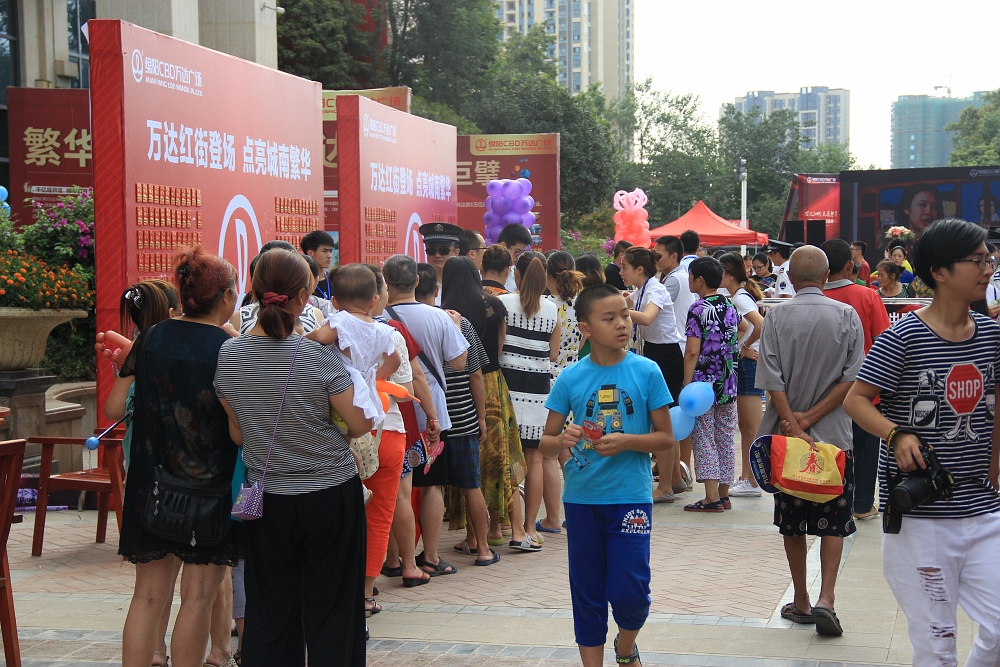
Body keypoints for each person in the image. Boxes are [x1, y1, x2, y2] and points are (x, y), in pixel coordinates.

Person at [845, 219, 1000, 665]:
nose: (988, 268)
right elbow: (856, 401)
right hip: (921, 518)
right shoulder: (904, 338)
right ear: (940, 272)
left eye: (989, 259)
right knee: (937, 645)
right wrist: (896, 433)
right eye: (977, 260)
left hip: (983, 508)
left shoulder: (991, 335)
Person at [215, 249, 371, 665]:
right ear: (304, 297)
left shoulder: (229, 356)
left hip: (266, 498)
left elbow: (237, 432)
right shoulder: (318, 356)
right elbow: (359, 424)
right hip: (329, 494)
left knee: (269, 608)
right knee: (333, 605)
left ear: (254, 291)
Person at [107, 247, 241, 667]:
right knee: (198, 598)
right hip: (209, 489)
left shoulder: (149, 338)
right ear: (224, 296)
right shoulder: (228, 348)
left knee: (147, 597)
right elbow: (239, 431)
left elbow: (112, 409)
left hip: (151, 487)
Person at [539, 282, 674, 667]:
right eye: (610, 318)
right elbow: (545, 444)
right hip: (581, 500)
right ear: (585, 328)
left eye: (625, 315)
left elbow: (666, 438)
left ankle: (626, 647)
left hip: (631, 498)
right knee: (587, 591)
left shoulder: (647, 371)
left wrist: (627, 441)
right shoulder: (570, 377)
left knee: (632, 592)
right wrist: (562, 439)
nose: (622, 324)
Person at [755, 245, 864, 637]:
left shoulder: (776, 316)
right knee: (835, 519)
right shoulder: (847, 315)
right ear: (826, 276)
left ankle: (801, 599)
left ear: (790, 277)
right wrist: (813, 418)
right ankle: (826, 598)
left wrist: (793, 422)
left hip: (786, 441)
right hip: (834, 438)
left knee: (792, 521)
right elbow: (852, 378)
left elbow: (771, 378)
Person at [382, 255, 470, 576]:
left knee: (395, 489)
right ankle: (431, 556)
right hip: (432, 413)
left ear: (385, 282)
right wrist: (455, 328)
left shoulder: (378, 317)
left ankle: (393, 559)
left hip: (392, 411)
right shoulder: (439, 317)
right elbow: (459, 363)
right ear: (417, 281)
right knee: (432, 485)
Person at [429, 257, 497, 566]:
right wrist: (481, 416)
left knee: (429, 488)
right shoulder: (460, 322)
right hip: (463, 416)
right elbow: (476, 374)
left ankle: (424, 556)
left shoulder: (406, 325)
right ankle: (482, 549)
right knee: (471, 485)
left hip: (429, 419)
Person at [821, 240, 890, 522]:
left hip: (823, 394)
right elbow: (883, 343)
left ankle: (829, 499)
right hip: (865, 391)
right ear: (850, 266)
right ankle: (862, 504)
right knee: (866, 449)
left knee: (828, 449)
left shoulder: (813, 299)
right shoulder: (868, 296)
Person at [501, 253, 558, 551]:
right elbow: (553, 354)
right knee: (534, 458)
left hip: (507, 385)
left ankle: (510, 527)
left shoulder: (503, 304)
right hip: (538, 388)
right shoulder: (551, 309)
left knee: (509, 458)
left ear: (517, 274)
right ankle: (530, 528)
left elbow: (497, 347)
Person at [621, 246, 684, 504]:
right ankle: (675, 478)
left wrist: (618, 309)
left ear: (639, 269)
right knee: (665, 422)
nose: (621, 272)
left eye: (625, 267)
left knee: (663, 422)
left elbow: (646, 318)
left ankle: (666, 486)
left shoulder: (656, 289)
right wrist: (620, 301)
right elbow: (630, 303)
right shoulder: (641, 290)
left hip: (666, 355)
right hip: (654, 353)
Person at [682, 257, 740, 513]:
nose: (689, 280)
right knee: (725, 436)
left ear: (700, 280)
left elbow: (692, 351)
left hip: (703, 385)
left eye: (690, 276)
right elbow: (744, 326)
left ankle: (710, 497)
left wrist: (687, 385)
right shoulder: (729, 304)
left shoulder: (698, 308)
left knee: (704, 436)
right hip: (728, 381)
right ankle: (724, 494)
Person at [538, 251, 585, 531]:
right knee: (572, 446)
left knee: (554, 451)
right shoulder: (583, 305)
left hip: (551, 380)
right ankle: (576, 510)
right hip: (576, 376)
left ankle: (553, 517)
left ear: (548, 276)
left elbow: (549, 351)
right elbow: (580, 344)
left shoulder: (546, 306)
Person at [718, 253, 766, 499]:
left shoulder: (739, 298)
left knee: (750, 426)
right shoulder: (739, 296)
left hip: (748, 364)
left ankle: (752, 479)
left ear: (728, 274)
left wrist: (745, 347)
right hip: (746, 363)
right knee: (746, 426)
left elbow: (760, 324)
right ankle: (748, 476)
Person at [653, 235, 695, 495]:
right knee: (671, 417)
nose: (655, 258)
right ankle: (676, 473)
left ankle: (673, 477)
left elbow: (651, 310)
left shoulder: (672, 281)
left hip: (673, 350)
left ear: (674, 256)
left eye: (658, 254)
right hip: (674, 349)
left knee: (666, 418)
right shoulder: (672, 278)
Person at [420, 223, 463, 302]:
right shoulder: (417, 283)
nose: (437, 255)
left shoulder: (465, 283)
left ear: (456, 253)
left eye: (444, 250)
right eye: (431, 250)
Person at [301, 230, 336, 300]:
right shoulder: (303, 283)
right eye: (325, 251)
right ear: (310, 253)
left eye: (330, 251)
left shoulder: (334, 280)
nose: (329, 256)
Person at [497, 222, 533, 292]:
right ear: (503, 246)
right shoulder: (485, 272)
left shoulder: (518, 275)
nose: (519, 257)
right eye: (517, 252)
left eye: (522, 253)